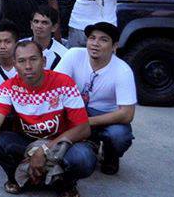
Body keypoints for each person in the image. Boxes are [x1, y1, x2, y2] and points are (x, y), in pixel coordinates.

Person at [0, 40, 97, 197]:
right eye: (21, 61)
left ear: (44, 61)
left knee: (83, 158)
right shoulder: (8, 87)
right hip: (27, 143)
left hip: (61, 143)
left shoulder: (64, 83)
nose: (28, 66)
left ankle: (66, 183)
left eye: (33, 59)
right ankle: (17, 177)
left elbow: (83, 129)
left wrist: (44, 150)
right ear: (14, 64)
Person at [55, 22, 136, 175]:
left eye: (103, 40)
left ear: (114, 46)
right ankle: (85, 143)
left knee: (119, 136)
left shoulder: (123, 70)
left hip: (105, 117)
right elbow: (55, 87)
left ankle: (110, 154)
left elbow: (127, 114)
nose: (95, 44)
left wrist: (87, 122)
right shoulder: (73, 54)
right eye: (92, 38)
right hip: (76, 108)